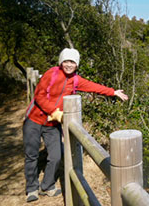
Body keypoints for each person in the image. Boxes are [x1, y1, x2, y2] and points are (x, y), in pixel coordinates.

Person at [23, 48, 128, 203]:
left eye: (72, 62)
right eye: (66, 61)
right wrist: (54, 111)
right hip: (34, 120)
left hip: (52, 124)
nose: (69, 65)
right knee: (31, 155)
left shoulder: (76, 80)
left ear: (77, 64)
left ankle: (47, 186)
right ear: (61, 62)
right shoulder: (51, 74)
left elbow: (93, 86)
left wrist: (112, 92)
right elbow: (39, 96)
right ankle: (32, 188)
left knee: (56, 155)